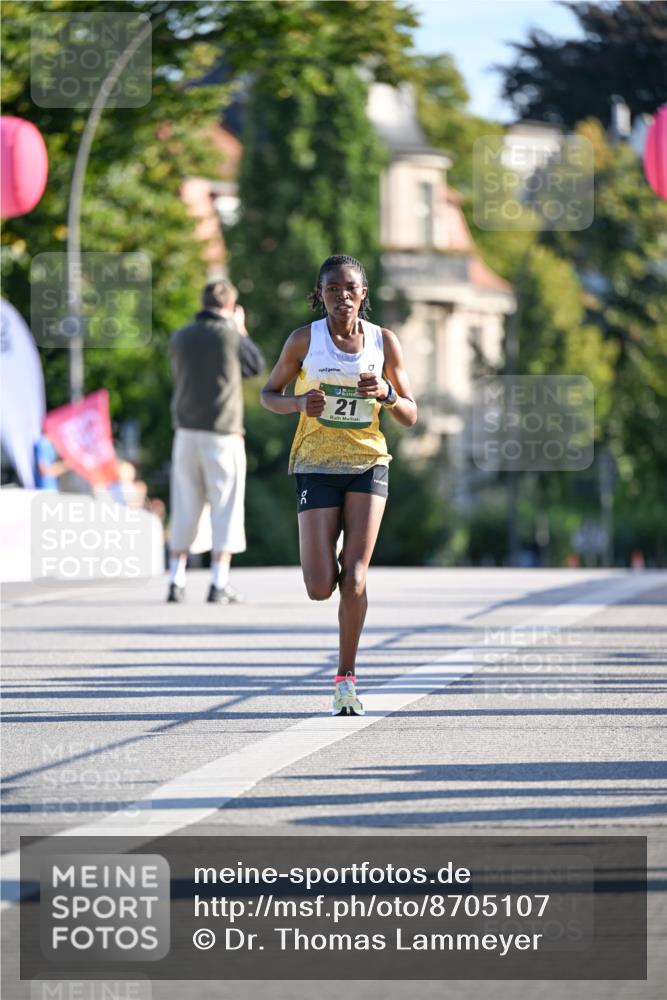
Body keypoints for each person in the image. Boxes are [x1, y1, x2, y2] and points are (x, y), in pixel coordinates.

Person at [260, 254, 417, 715]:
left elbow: (411, 413)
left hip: (368, 464)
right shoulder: (303, 341)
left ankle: (346, 679)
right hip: (315, 464)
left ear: (363, 294)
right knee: (319, 585)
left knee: (356, 576)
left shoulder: (384, 342)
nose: (341, 296)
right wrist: (297, 404)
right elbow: (268, 394)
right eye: (332, 289)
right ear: (320, 294)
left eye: (350, 288)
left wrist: (387, 395)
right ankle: (324, 553)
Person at [168, 279, 265, 603]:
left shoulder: (180, 336)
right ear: (230, 306)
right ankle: (218, 582)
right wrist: (240, 329)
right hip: (223, 434)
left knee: (184, 504)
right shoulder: (230, 335)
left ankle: (176, 580)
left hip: (185, 432)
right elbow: (255, 367)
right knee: (225, 506)